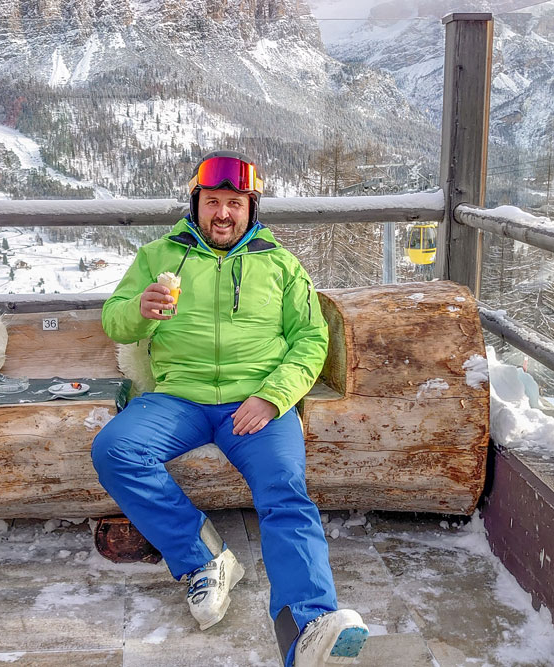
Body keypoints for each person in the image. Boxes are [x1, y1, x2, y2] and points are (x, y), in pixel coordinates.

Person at [91, 150, 367, 666]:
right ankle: (202, 558)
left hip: (256, 402)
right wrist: (141, 310)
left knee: (284, 491)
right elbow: (115, 320)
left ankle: (308, 624)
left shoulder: (281, 264)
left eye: (235, 203)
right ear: (196, 205)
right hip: (180, 398)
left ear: (250, 208)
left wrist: (274, 396)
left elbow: (311, 339)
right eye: (213, 201)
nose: (223, 213)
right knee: (115, 449)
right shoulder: (158, 256)